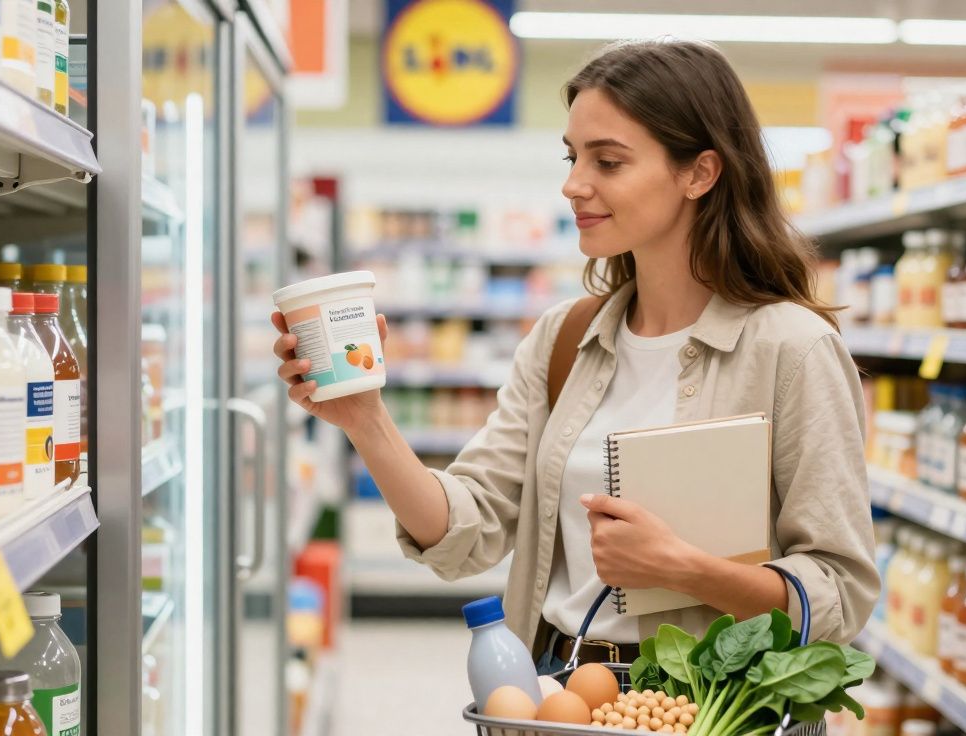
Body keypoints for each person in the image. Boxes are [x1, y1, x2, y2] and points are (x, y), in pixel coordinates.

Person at [271, 39, 877, 671]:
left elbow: (840, 592)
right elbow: (467, 532)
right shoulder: (566, 338)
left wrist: (685, 569)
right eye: (572, 157)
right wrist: (365, 418)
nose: (573, 184)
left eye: (608, 162)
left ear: (699, 173)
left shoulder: (792, 350)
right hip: (555, 690)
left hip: (706, 706)